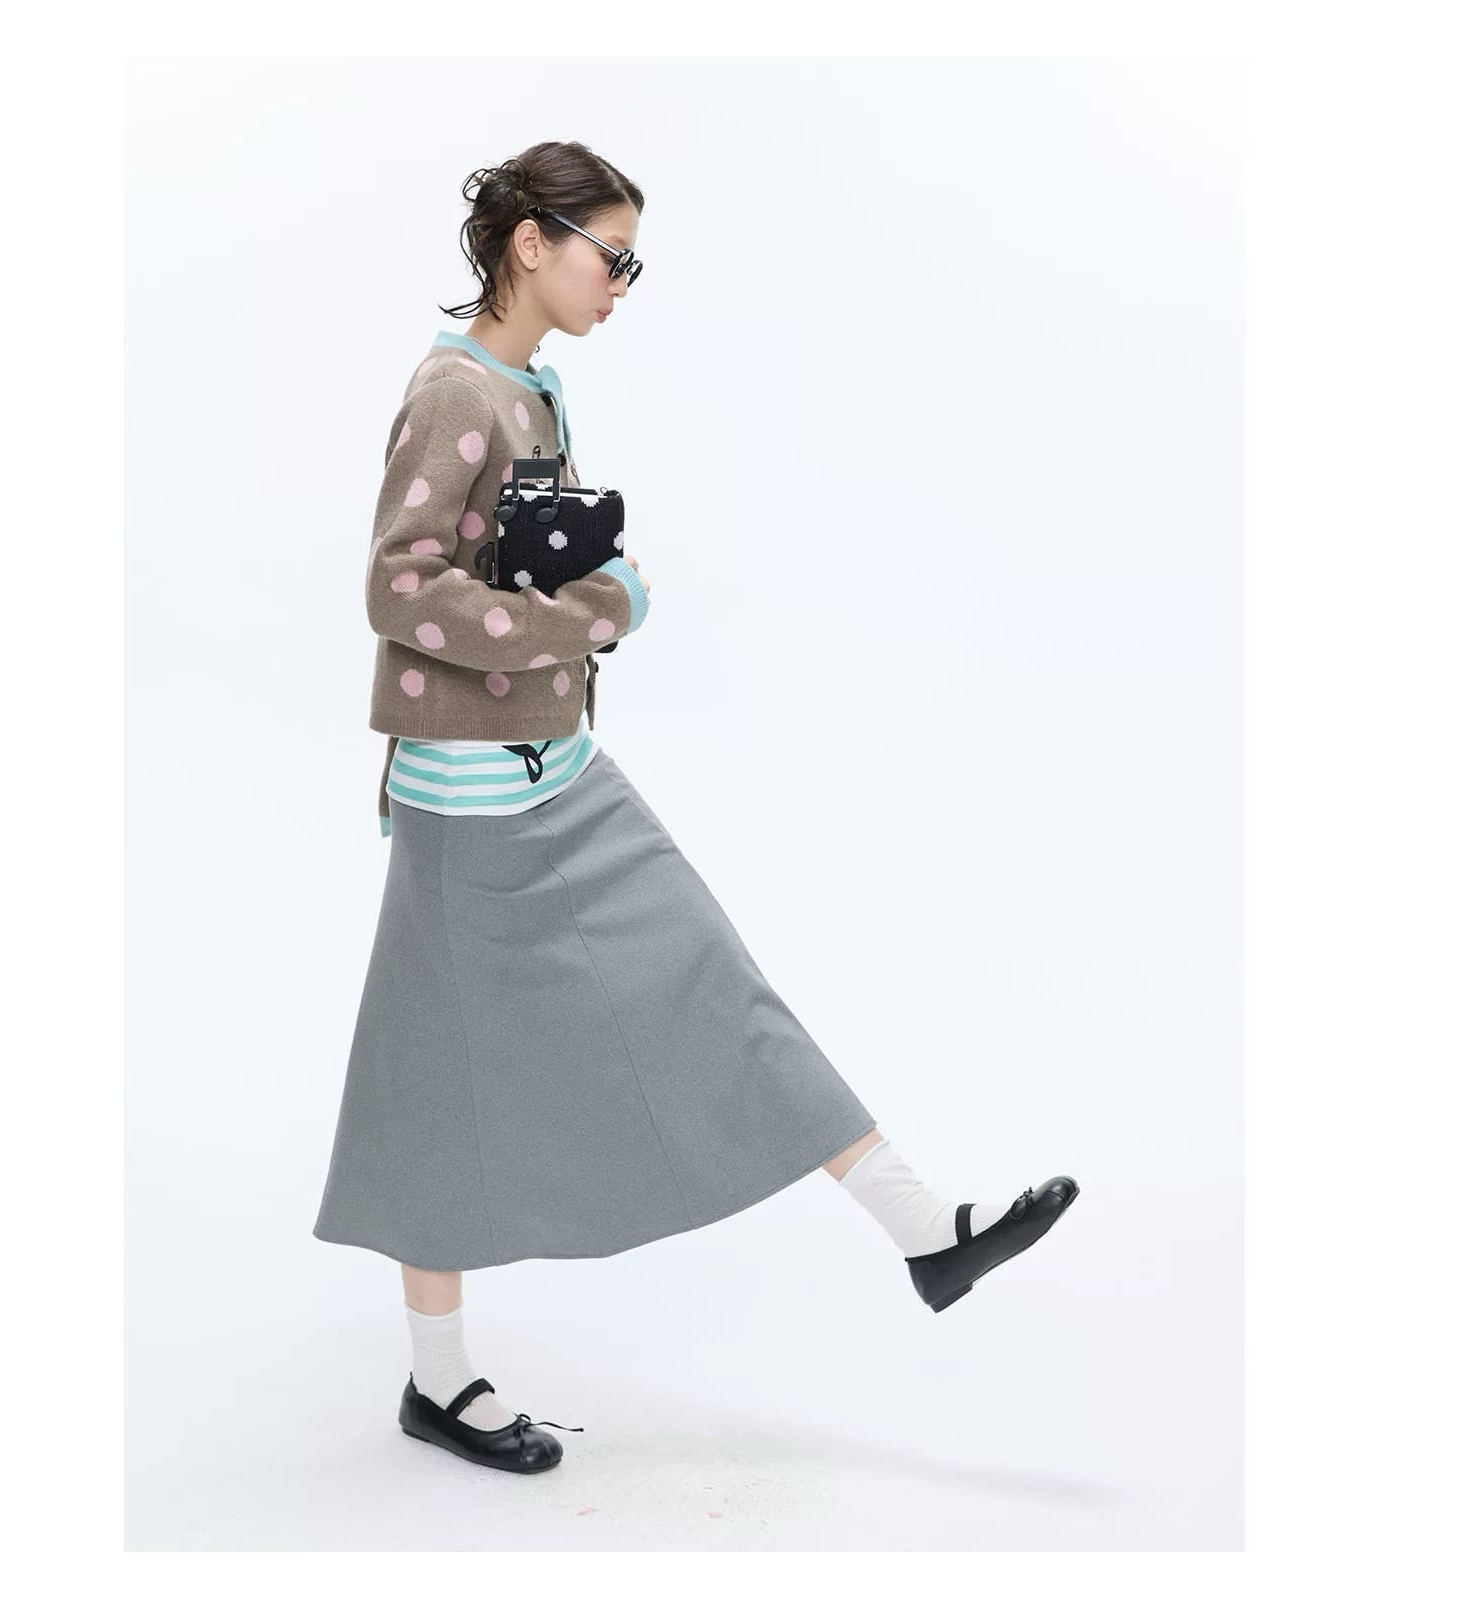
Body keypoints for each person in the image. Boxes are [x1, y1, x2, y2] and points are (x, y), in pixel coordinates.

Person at [312, 140, 1080, 1476]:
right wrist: (586, 619)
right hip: (469, 802)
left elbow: (527, 570)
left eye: (633, 262)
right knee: (434, 1092)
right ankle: (438, 1383)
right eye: (611, 257)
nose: (623, 283)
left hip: (553, 767)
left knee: (712, 980)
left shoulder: (533, 387)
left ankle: (924, 1231)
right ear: (532, 244)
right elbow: (399, 588)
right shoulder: (456, 393)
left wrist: (588, 594)